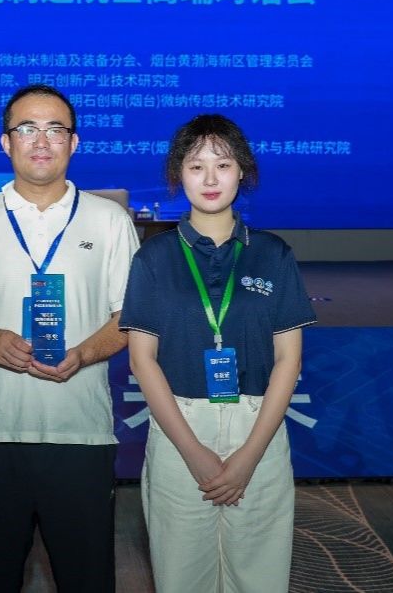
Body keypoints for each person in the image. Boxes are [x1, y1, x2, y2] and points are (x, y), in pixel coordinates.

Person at [0, 84, 140, 592]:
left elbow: (130, 317)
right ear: (6, 142)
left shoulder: (110, 220)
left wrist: (84, 353)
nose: (41, 140)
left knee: (87, 578)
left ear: (74, 143)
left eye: (55, 129)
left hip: (82, 433)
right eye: (27, 128)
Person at [121, 114, 316, 593]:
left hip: (259, 427)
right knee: (181, 576)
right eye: (196, 166)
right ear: (178, 175)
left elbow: (289, 360)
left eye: (223, 165)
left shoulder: (273, 253)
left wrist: (250, 455)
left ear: (242, 171)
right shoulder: (153, 258)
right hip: (180, 428)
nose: (210, 178)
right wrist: (193, 453)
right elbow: (142, 360)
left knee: (260, 576)